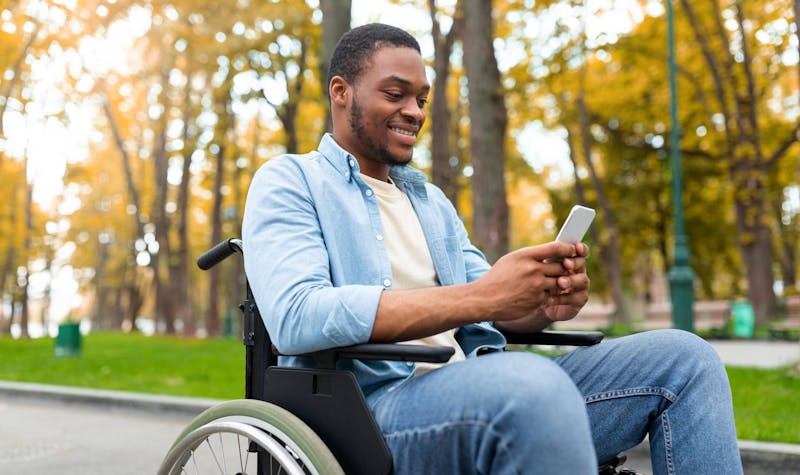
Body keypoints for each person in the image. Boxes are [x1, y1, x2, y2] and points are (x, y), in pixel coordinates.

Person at [242, 23, 742, 475]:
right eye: (396, 94)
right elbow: (297, 316)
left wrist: (539, 301)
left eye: (421, 98)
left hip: (486, 381)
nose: (414, 112)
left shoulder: (430, 201)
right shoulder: (290, 181)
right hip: (370, 410)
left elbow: (495, 312)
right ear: (341, 92)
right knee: (526, 386)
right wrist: (485, 297)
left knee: (686, 359)